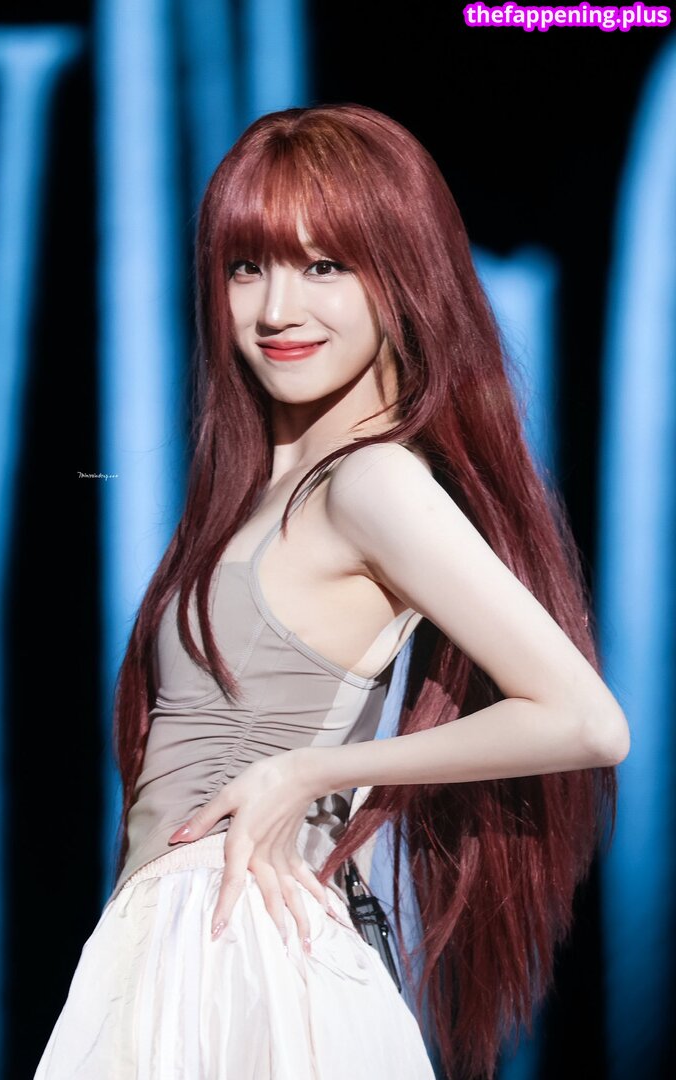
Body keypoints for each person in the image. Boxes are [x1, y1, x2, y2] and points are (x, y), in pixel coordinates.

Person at [34, 103, 630, 1080]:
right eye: (247, 267)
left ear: (401, 274)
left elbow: (585, 720)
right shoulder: (256, 493)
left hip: (239, 947)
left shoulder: (371, 481)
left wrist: (304, 775)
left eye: (323, 266)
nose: (276, 309)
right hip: (178, 939)